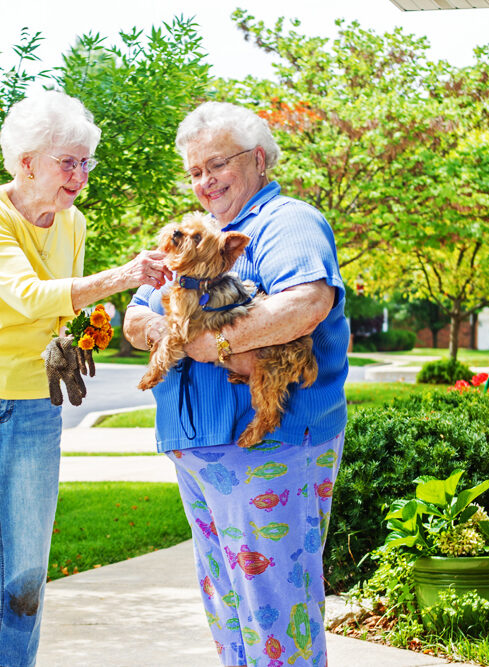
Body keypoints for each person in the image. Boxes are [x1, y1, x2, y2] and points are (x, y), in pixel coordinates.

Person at [0, 90, 170, 667]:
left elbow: (56, 310)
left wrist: (74, 337)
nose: (79, 174)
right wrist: (121, 277)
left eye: (85, 162)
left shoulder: (72, 223)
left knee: (26, 571)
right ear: (26, 163)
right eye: (67, 161)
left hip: (32, 408)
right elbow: (26, 296)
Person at [124, 101, 349, 667]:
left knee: (274, 607)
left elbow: (306, 304)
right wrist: (168, 327)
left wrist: (202, 342)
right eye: (195, 171)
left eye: (216, 165)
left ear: (257, 160)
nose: (204, 182)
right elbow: (133, 321)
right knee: (229, 606)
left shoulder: (286, 222)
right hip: (199, 449)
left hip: (270, 445)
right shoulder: (194, 237)